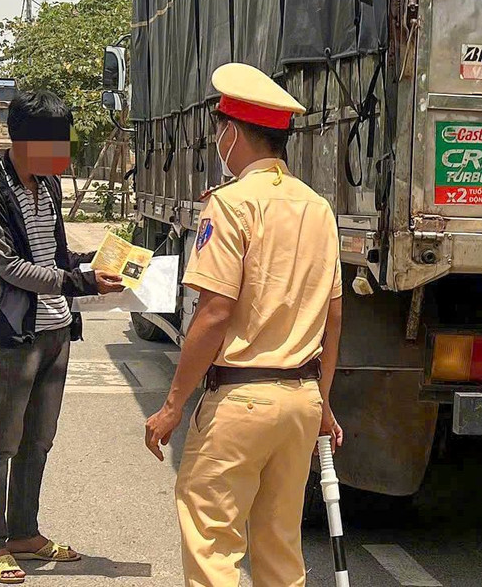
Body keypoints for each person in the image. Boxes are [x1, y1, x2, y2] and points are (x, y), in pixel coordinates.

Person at [144, 63, 345, 587]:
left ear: (232, 132)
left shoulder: (231, 204)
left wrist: (171, 407)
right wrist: (322, 401)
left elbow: (213, 314)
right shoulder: (319, 209)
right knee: (280, 546)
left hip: (241, 400)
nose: (217, 138)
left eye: (218, 128)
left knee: (212, 543)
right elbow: (334, 314)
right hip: (300, 400)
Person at [0, 90, 125, 585]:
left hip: (57, 330)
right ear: (23, 139)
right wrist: (77, 281)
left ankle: (24, 534)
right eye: (53, 142)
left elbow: (55, 256)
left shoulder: (51, 186)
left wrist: (100, 265)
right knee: (1, 441)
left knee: (39, 440)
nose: (61, 152)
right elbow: (9, 267)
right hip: (17, 335)